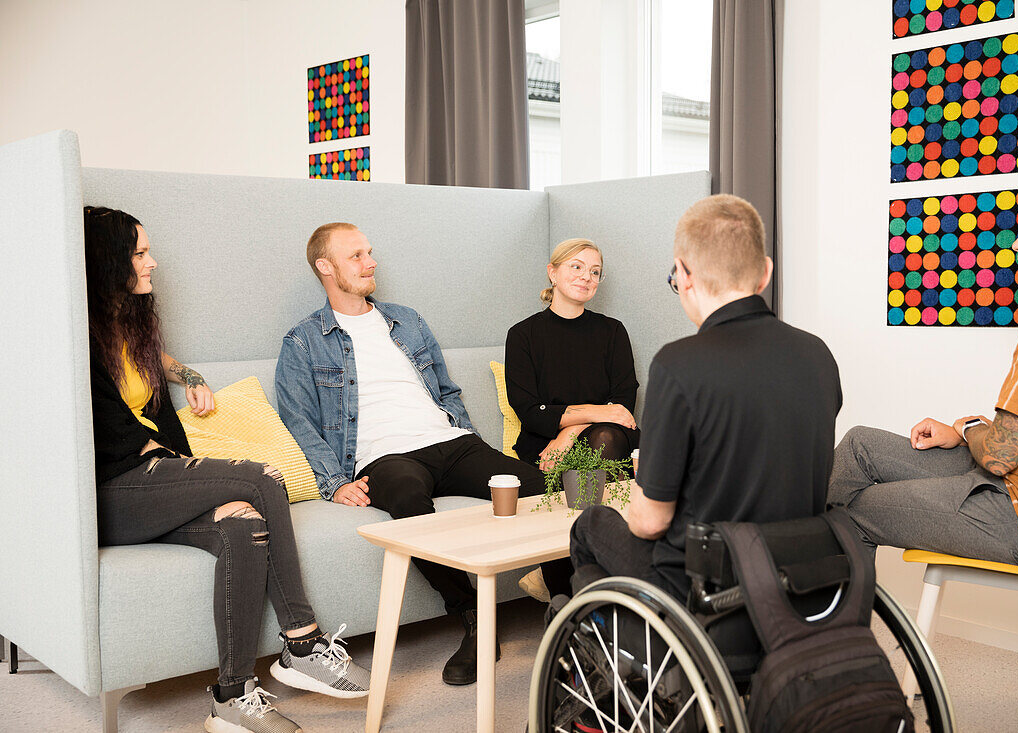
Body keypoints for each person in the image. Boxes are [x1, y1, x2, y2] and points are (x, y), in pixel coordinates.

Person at [84, 207, 369, 733]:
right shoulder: (75, 338)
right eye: (140, 253)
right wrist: (179, 468)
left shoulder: (126, 326)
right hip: (111, 496)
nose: (153, 263)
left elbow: (156, 386)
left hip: (152, 485)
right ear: (107, 262)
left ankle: (231, 696)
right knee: (262, 477)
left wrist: (187, 377)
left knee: (243, 523)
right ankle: (301, 641)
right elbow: (110, 433)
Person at [275, 222, 569, 686]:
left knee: (543, 488)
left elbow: (447, 391)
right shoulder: (302, 341)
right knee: (411, 502)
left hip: (449, 443)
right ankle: (473, 617)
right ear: (325, 266)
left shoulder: (406, 320)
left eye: (370, 252)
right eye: (357, 256)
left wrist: (468, 437)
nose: (371, 263)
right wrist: (334, 482)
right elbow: (299, 419)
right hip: (384, 457)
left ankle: (569, 606)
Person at [569, 194, 843, 603]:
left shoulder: (678, 365)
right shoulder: (818, 355)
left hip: (704, 583)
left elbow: (648, 523)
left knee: (590, 525)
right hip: (796, 577)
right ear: (765, 273)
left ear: (685, 274)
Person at [828, 173, 1018, 572]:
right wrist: (964, 432)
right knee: (860, 444)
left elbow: (998, 455)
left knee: (850, 507)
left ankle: (812, 618)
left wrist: (969, 424)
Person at [505, 238, 639, 471]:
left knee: (604, 439)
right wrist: (595, 412)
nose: (587, 277)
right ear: (553, 273)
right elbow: (530, 412)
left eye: (595, 272)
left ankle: (602, 509)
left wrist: (571, 431)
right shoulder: (522, 335)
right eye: (577, 267)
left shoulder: (613, 330)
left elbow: (622, 405)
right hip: (545, 444)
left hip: (610, 437)